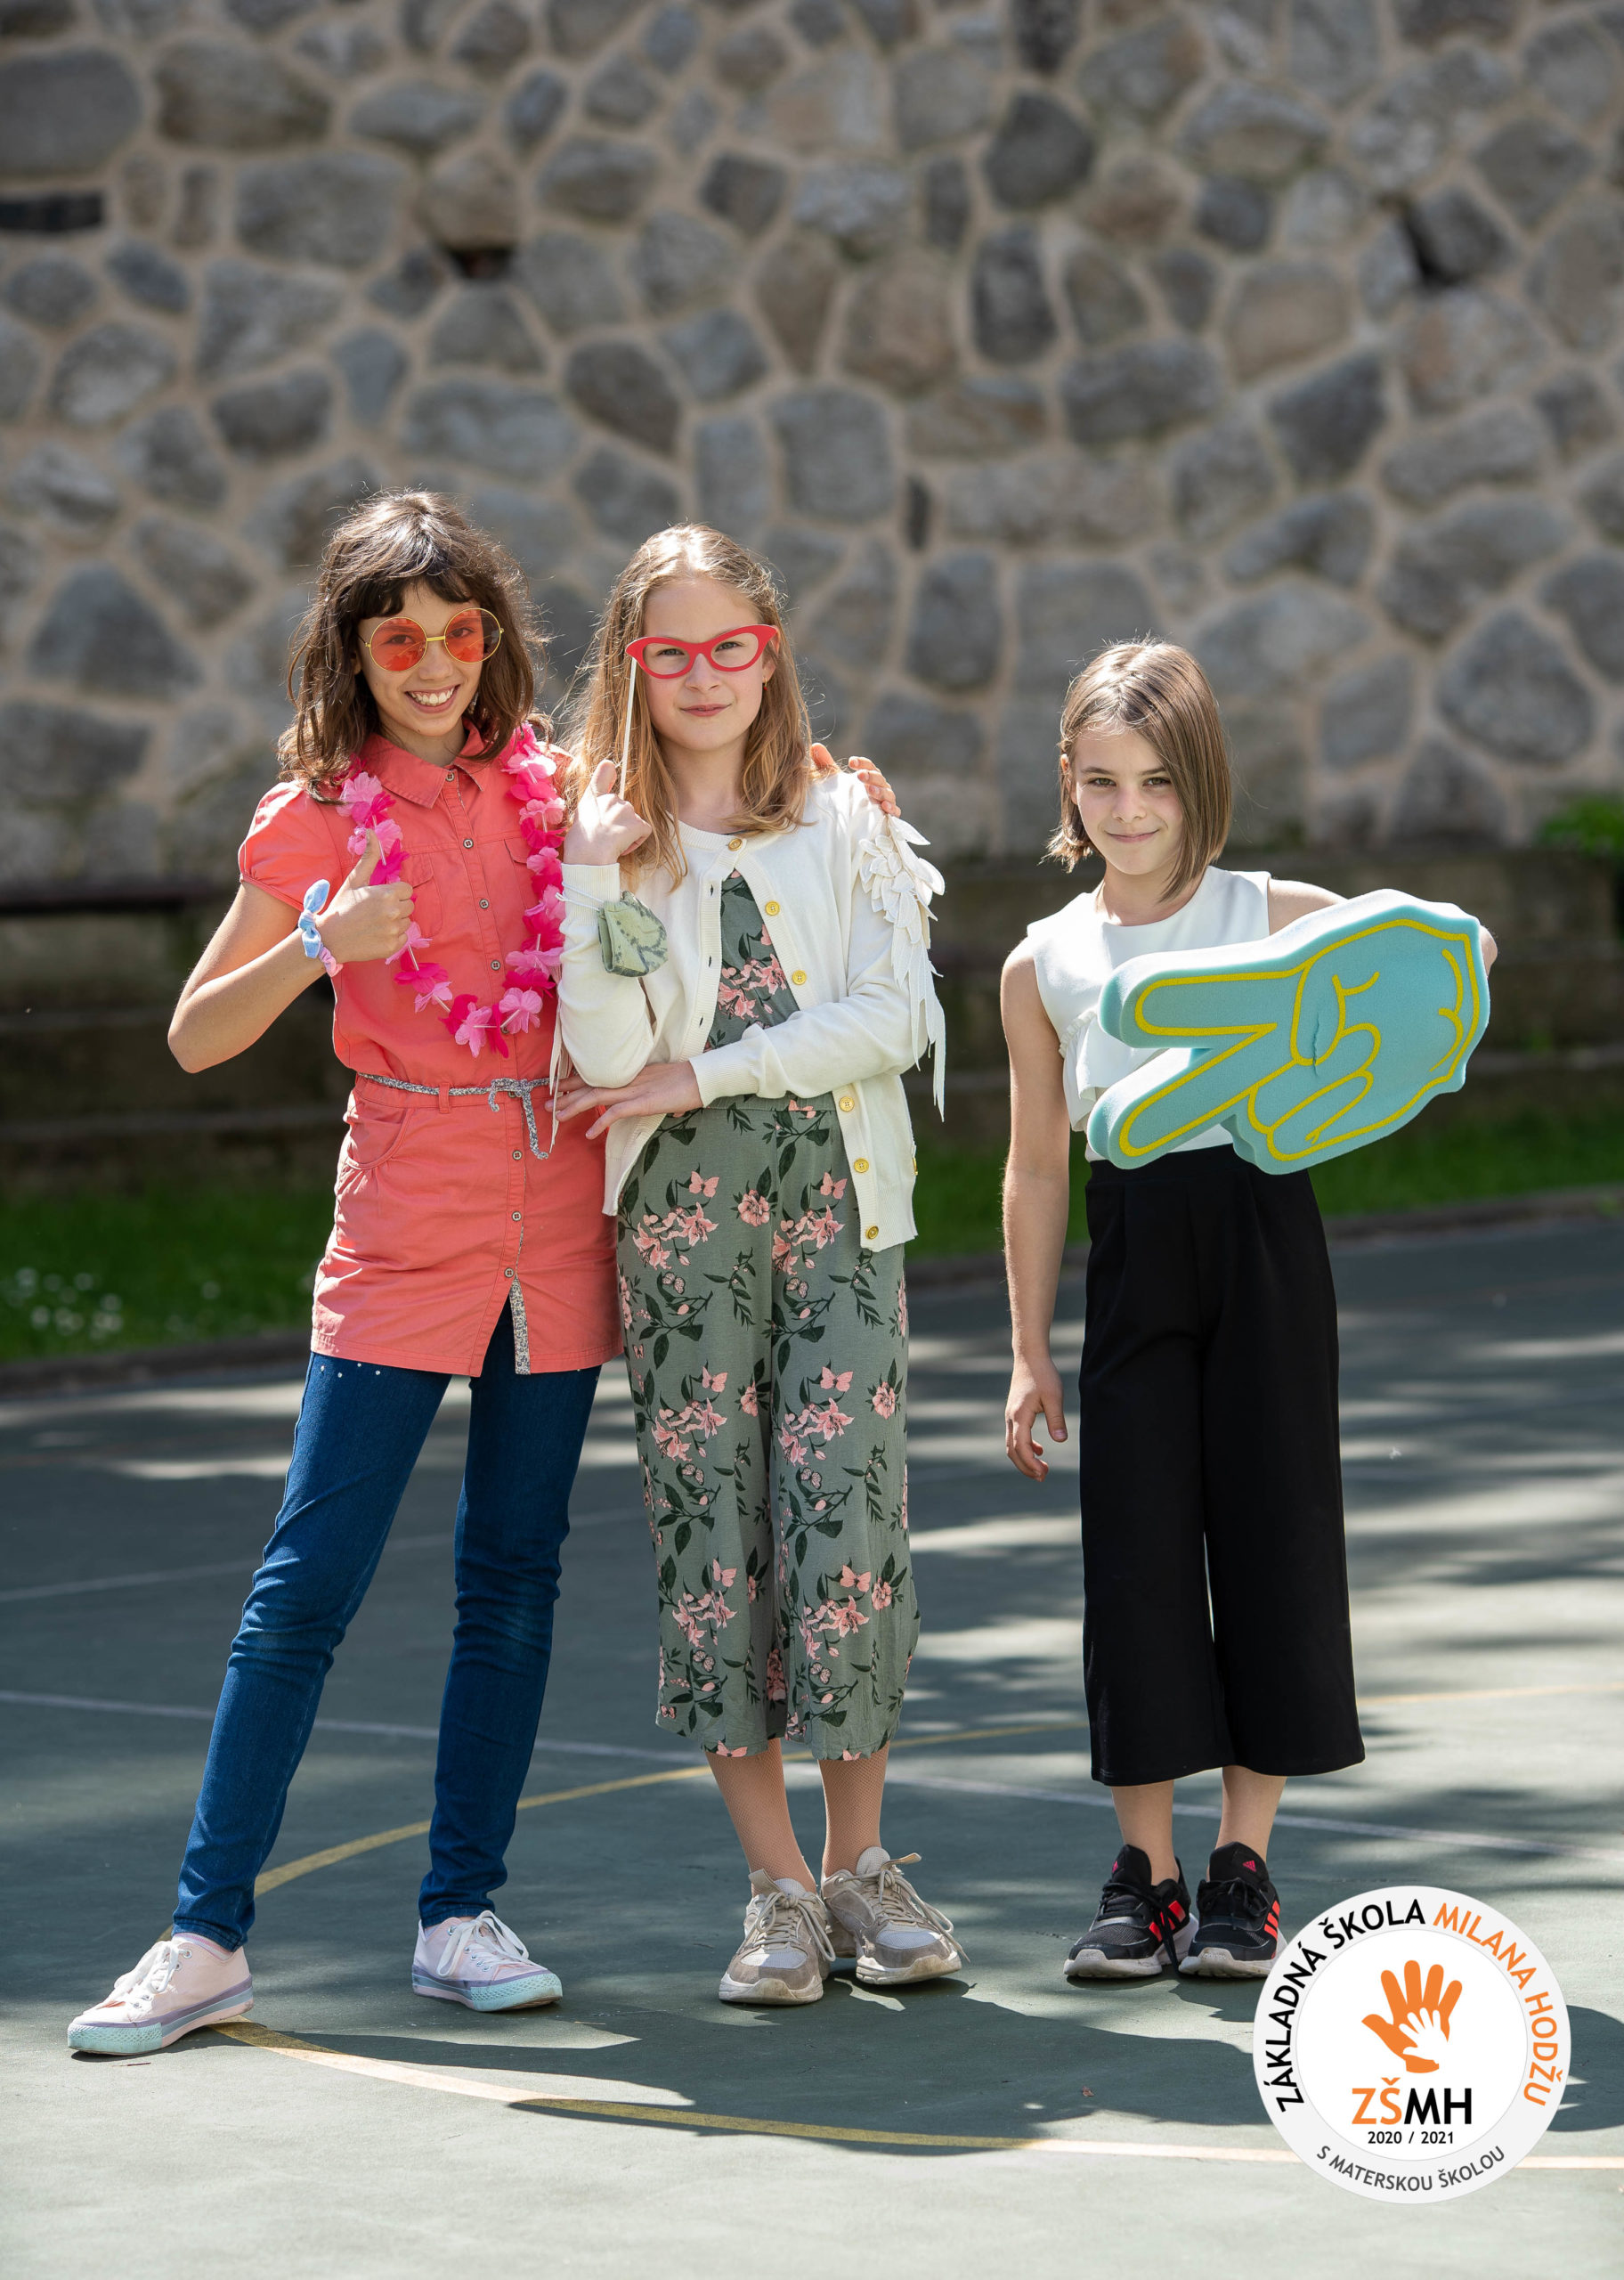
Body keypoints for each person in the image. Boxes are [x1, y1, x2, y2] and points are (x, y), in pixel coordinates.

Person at [66, 491, 632, 2055]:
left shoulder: (559, 790)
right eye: (401, 641)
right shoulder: (315, 814)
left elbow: (709, 799)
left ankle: (461, 1915)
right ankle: (204, 1939)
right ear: (355, 654)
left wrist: (836, 798)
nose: (436, 665)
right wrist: (324, 941)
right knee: (304, 1588)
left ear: (493, 641)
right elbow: (195, 1036)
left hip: (557, 1210)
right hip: (403, 1216)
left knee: (512, 1578)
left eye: (461, 634)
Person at [999, 640, 1493, 1983]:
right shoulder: (1043, 961)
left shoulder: (1273, 913)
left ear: (1201, 779)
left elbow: (1439, 957)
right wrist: (1028, 1349)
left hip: (1265, 1238)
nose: (1130, 810)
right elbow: (1036, 1164)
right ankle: (1145, 1879)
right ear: (1068, 781)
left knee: (1275, 1534)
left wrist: (1443, 973)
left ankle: (1241, 1870)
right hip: (1133, 1252)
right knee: (1136, 1556)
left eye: (1158, 781)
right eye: (1102, 782)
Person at [555, 524, 964, 2007]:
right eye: (669, 652)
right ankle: (778, 1891)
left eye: (730, 645)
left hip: (837, 1207)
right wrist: (593, 879)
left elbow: (892, 1019)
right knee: (711, 1532)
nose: (703, 674)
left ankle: (860, 1869)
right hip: (681, 1223)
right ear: (630, 667)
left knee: (844, 1520)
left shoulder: (844, 817)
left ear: (768, 653)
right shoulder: (603, 838)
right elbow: (606, 1054)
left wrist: (705, 1073)